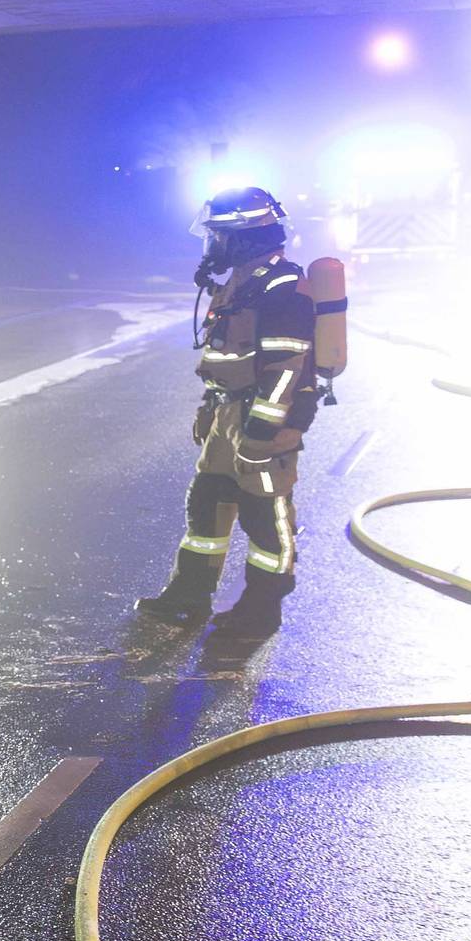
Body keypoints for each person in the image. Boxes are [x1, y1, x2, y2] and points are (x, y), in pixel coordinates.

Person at [137, 186, 326, 634]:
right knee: (206, 503)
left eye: (219, 236)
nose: (212, 246)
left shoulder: (282, 288)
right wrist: (211, 405)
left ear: (243, 236)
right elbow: (228, 354)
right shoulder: (241, 285)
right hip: (229, 415)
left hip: (264, 422)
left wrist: (262, 434)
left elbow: (286, 368)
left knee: (266, 514)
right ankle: (190, 594)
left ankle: (263, 607)